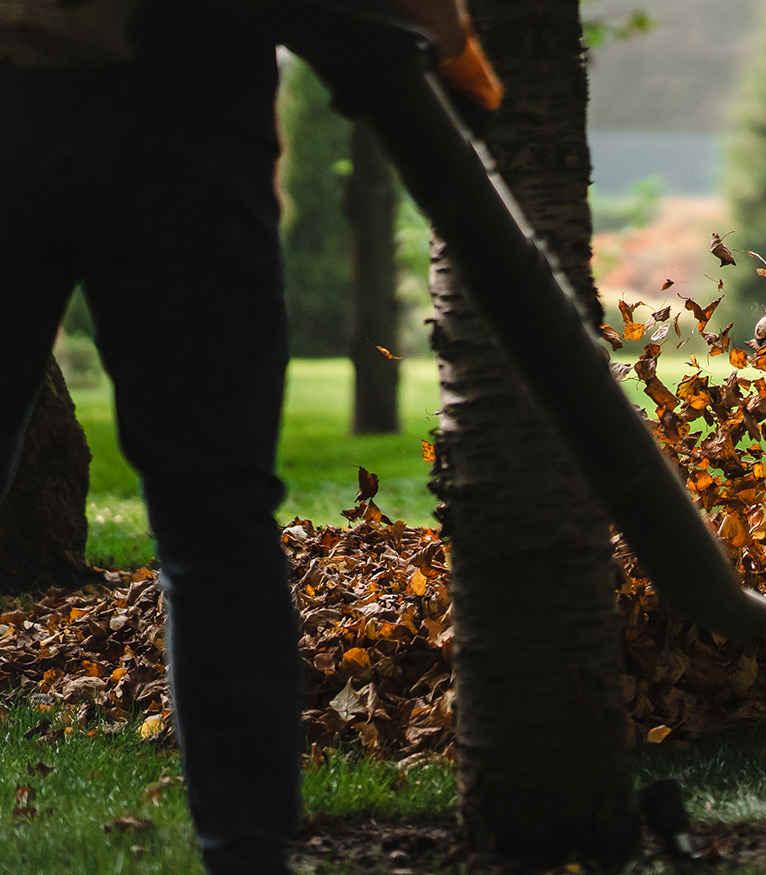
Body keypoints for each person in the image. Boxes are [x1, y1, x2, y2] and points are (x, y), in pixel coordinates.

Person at [0, 2, 495, 872]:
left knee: (216, 523)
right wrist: (454, 51)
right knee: (215, 520)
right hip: (180, 111)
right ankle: (247, 854)